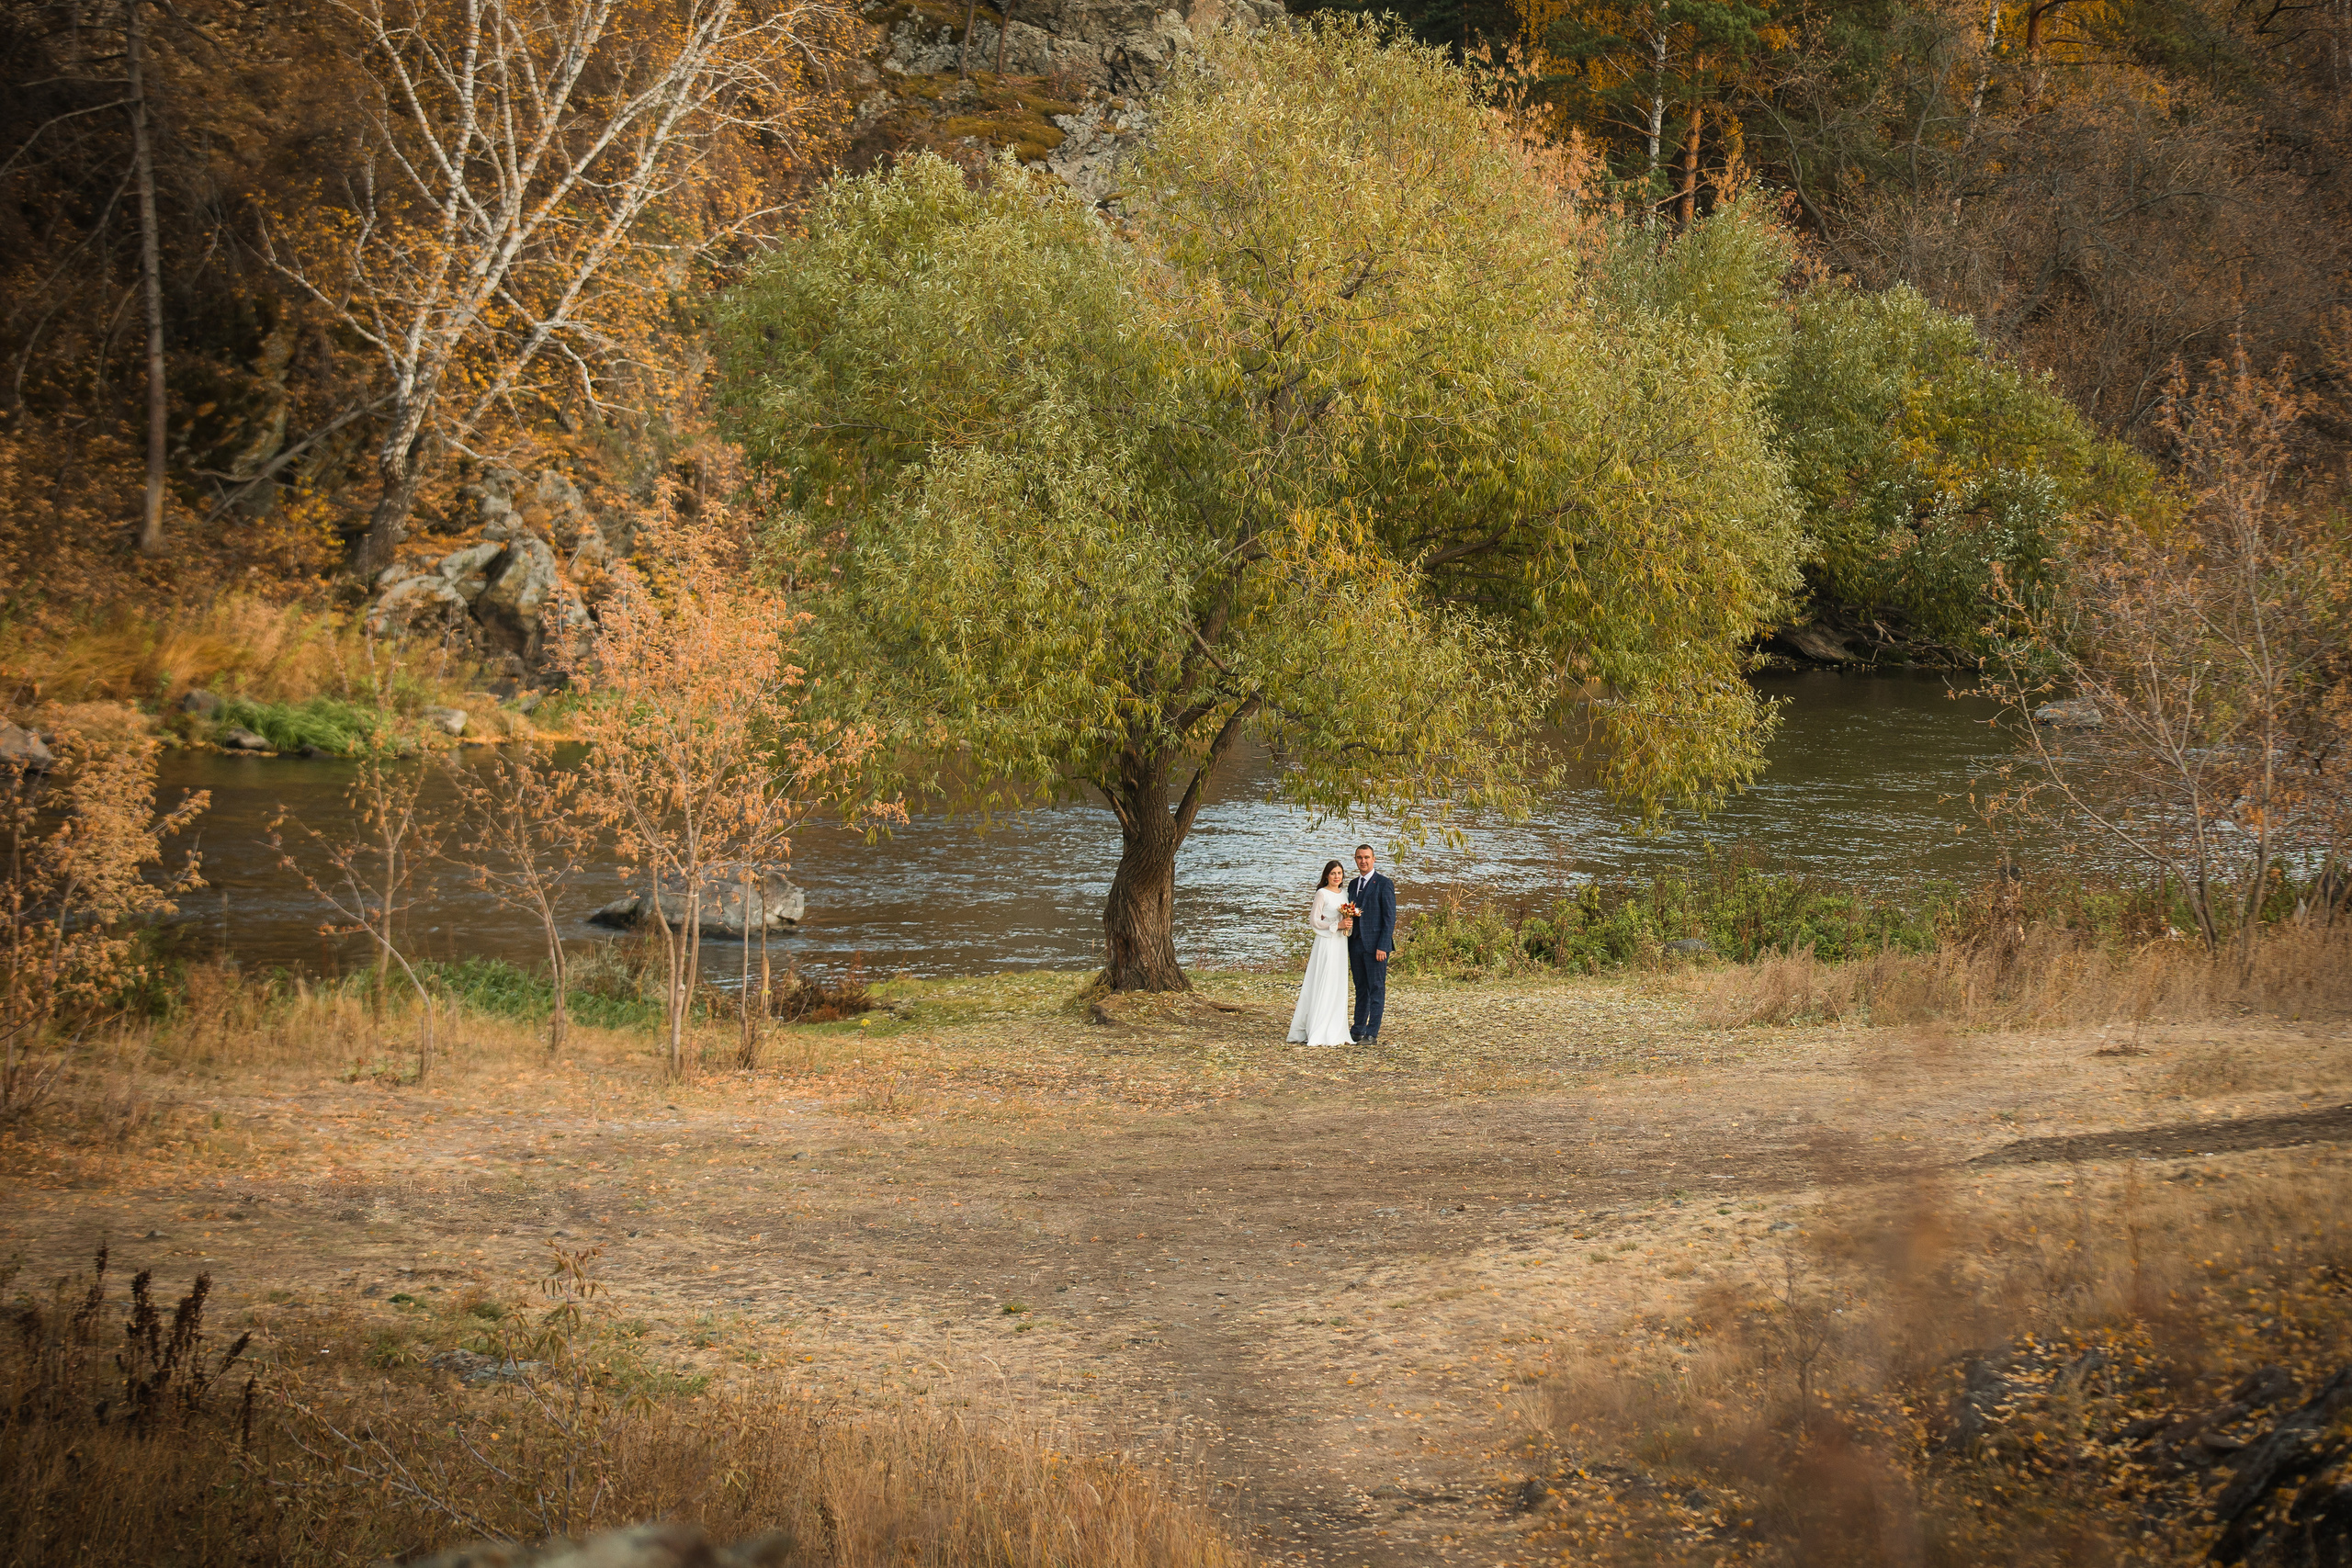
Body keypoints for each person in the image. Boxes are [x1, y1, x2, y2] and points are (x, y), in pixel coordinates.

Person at [1286, 859, 1353, 1047]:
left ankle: (1336, 1026)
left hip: (1341, 942)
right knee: (1324, 979)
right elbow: (1314, 920)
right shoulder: (1321, 894)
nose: (1336, 877)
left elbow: (1346, 917)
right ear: (1326, 876)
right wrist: (1336, 925)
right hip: (1326, 941)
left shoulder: (1345, 894)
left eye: (1339, 873)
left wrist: (1347, 924)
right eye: (1333, 873)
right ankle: (1318, 1026)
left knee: (1337, 981)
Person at [1346, 842, 1395, 1043]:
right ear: (1355, 859)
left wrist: (1383, 946)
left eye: (1366, 857)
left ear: (1374, 859)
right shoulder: (1351, 885)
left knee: (1376, 988)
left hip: (1376, 947)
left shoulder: (1384, 883)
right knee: (1360, 988)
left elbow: (1389, 917)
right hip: (1355, 945)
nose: (1363, 861)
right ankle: (1357, 1029)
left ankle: (1372, 1033)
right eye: (1359, 857)